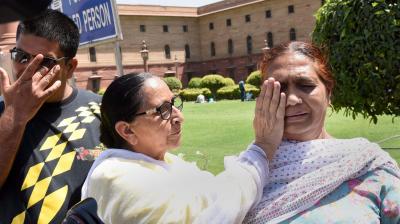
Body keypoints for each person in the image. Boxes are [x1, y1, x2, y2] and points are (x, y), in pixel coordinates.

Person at [81, 72, 279, 223]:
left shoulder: (158, 160)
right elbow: (219, 212)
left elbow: (216, 192)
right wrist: (262, 149)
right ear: (127, 131)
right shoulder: (118, 179)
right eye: (163, 110)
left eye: (174, 104)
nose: (179, 117)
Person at [243, 41, 400, 223]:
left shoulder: (369, 166)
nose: (292, 99)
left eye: (306, 85)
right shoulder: (247, 174)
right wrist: (263, 147)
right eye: (280, 88)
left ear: (329, 93)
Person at [0, 9, 102, 223]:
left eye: (45, 62)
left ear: (70, 67)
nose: (29, 68)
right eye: (21, 56)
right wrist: (15, 115)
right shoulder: (3, 113)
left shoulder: (100, 111)